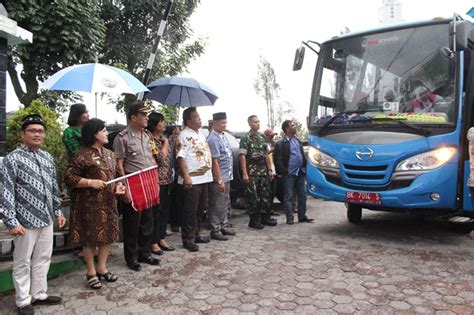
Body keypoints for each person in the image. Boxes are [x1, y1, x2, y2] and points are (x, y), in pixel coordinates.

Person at [0, 114, 66, 315]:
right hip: (24, 221)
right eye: (32, 130)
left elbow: (53, 187)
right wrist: (11, 221)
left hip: (46, 218)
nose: (37, 134)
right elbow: (5, 191)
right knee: (22, 260)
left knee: (44, 257)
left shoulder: (47, 157)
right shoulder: (13, 159)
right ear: (22, 134)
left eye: (40, 131)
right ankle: (22, 301)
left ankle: (39, 294)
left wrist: (58, 211)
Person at [64, 119, 126, 289]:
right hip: (88, 205)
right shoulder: (81, 155)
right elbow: (69, 178)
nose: (107, 133)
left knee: (108, 236)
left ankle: (102, 267)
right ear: (94, 133)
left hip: (108, 202)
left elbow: (113, 178)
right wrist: (90, 182)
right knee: (89, 238)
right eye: (104, 130)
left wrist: (118, 186)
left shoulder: (110, 154)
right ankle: (91, 271)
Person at [113, 101, 160, 271]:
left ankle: (144, 253)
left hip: (148, 183)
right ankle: (131, 257)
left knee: (148, 221)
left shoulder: (147, 135)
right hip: (133, 185)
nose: (147, 118)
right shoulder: (122, 137)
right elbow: (119, 165)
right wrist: (123, 186)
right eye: (144, 115)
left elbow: (154, 158)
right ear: (133, 117)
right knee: (132, 223)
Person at [176, 107, 213, 252]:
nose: (199, 119)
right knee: (190, 211)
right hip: (192, 179)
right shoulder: (183, 135)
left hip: (204, 177)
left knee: (200, 209)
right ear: (188, 121)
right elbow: (181, 156)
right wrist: (186, 176)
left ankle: (196, 234)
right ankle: (188, 238)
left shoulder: (201, 135)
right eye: (196, 117)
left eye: (199, 116)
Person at [239, 115, 277, 229]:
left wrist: (269, 169)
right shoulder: (246, 138)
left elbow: (266, 154)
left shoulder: (261, 136)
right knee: (253, 196)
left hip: (263, 171)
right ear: (250, 124)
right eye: (255, 122)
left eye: (259, 121)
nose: (258, 124)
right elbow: (242, 156)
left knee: (265, 194)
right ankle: (254, 220)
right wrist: (245, 173)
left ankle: (265, 218)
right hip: (252, 172)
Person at [274, 120, 314, 225]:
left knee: (302, 195)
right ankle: (290, 218)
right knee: (288, 196)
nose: (295, 127)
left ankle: (302, 216)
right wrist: (283, 171)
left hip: (300, 172)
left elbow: (301, 156)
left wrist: (305, 167)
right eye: (292, 125)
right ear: (287, 129)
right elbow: (278, 159)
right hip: (289, 174)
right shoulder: (281, 143)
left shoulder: (298, 141)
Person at [146, 112, 176, 255]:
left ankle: (161, 237)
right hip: (155, 180)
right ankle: (153, 241)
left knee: (165, 211)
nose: (164, 124)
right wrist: (165, 144)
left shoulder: (164, 139)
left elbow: (171, 158)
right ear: (154, 124)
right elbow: (160, 158)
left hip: (167, 179)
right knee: (155, 212)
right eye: (161, 122)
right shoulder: (150, 139)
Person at [206, 112, 236, 241]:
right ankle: (215, 229)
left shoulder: (222, 136)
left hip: (227, 175)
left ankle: (223, 225)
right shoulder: (213, 138)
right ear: (215, 123)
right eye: (222, 123)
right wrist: (219, 180)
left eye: (225, 122)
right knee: (216, 203)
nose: (225, 125)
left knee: (224, 202)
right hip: (219, 177)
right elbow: (215, 162)